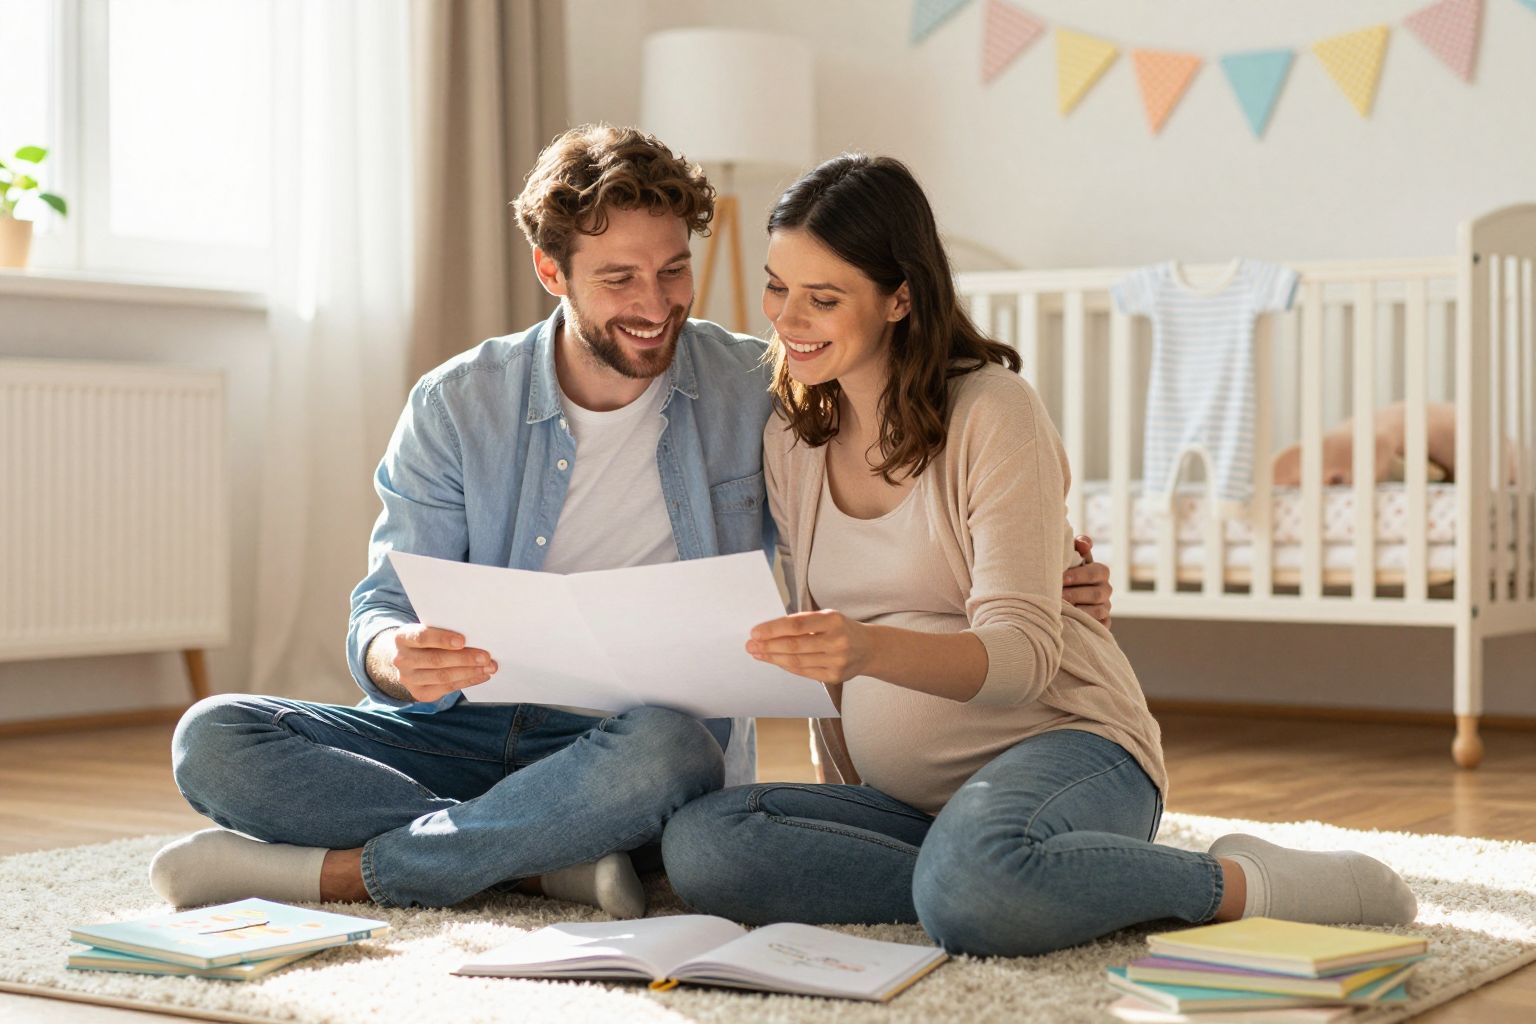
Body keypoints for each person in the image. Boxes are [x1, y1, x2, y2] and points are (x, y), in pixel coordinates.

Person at [146, 126, 1118, 916]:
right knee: (216, 734)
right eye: (620, 278)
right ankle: (534, 860)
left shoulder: (760, 386)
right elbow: (382, 604)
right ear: (550, 269)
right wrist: (398, 653)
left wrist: (1042, 571)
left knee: (668, 746)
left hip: (634, 751)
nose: (655, 306)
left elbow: (904, 472)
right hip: (455, 732)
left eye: (673, 271)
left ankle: (370, 870)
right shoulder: (457, 404)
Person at [661, 154, 1418, 956]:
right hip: (904, 805)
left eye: (824, 298)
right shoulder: (793, 434)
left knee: (975, 883)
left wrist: (866, 646)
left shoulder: (992, 411)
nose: (787, 318)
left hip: (1066, 750)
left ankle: (1240, 884)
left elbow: (1022, 658)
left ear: (900, 297)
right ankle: (1007, 877)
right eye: (778, 287)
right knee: (706, 846)